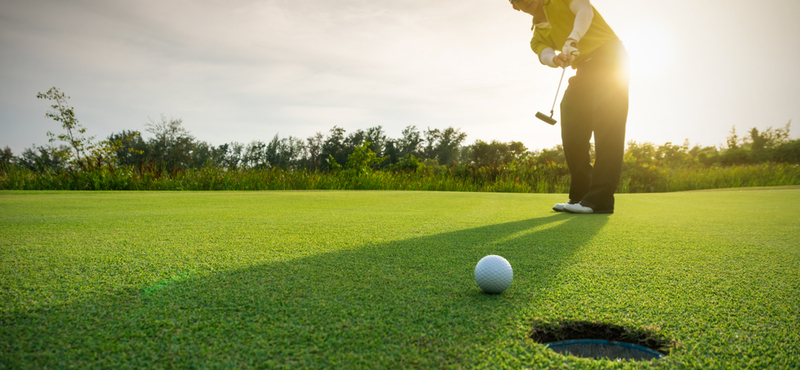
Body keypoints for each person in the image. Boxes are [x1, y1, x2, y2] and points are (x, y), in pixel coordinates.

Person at [510, 0, 629, 214]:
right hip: (583, 68)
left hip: (611, 57)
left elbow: (584, 10)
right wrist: (556, 59)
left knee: (607, 126)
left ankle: (600, 200)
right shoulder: (537, 36)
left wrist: (573, 38)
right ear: (515, 7)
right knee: (571, 122)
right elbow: (544, 53)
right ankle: (580, 196)